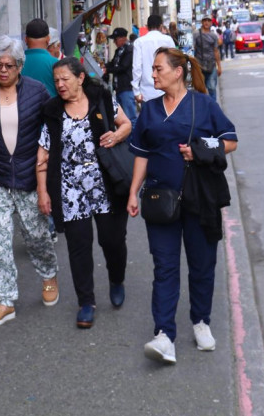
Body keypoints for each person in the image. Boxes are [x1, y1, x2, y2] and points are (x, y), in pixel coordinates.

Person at [127, 48, 238, 364]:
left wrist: (202, 148)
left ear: (178, 72)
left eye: (158, 68)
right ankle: (164, 335)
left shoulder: (203, 105)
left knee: (202, 264)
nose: (153, 74)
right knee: (164, 267)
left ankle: (201, 322)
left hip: (200, 199)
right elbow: (141, 155)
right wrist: (133, 192)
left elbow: (230, 140)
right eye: (153, 69)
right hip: (160, 201)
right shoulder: (149, 110)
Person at [0, 35, 58, 327]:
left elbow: (50, 133)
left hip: (30, 179)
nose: (2, 71)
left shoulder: (37, 92)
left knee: (36, 235)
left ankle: (48, 274)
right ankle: (5, 300)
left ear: (20, 66)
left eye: (8, 65)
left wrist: (49, 177)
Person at [37, 57, 132, 329]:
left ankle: (116, 278)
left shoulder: (101, 98)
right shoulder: (52, 111)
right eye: (56, 81)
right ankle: (86, 302)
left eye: (65, 79)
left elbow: (126, 124)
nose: (60, 85)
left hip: (105, 182)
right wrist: (43, 192)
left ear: (80, 78)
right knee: (79, 247)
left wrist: (116, 136)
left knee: (112, 241)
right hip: (69, 188)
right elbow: (42, 154)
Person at [132, 14, 175, 110]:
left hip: (147, 93)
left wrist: (136, 91)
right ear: (161, 26)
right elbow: (174, 63)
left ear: (147, 27)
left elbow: (137, 68)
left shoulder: (139, 42)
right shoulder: (168, 40)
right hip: (167, 90)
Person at [103, 27, 137, 127]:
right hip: (119, 88)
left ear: (123, 38)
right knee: (120, 118)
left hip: (126, 87)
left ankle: (132, 140)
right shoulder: (119, 51)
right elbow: (113, 63)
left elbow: (123, 67)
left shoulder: (129, 50)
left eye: (115, 39)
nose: (114, 42)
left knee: (130, 117)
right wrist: (104, 66)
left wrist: (108, 70)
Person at [22, 17, 58, 97]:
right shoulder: (56, 64)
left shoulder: (15, 64)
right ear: (48, 39)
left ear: (25, 39)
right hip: (49, 108)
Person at [192, 16, 222, 101]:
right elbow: (192, 48)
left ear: (211, 23)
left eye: (208, 21)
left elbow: (216, 51)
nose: (206, 22)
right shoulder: (196, 34)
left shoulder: (213, 35)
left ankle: (213, 109)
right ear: (202, 22)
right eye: (205, 20)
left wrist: (219, 66)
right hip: (199, 66)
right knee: (200, 89)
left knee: (212, 88)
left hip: (211, 65)